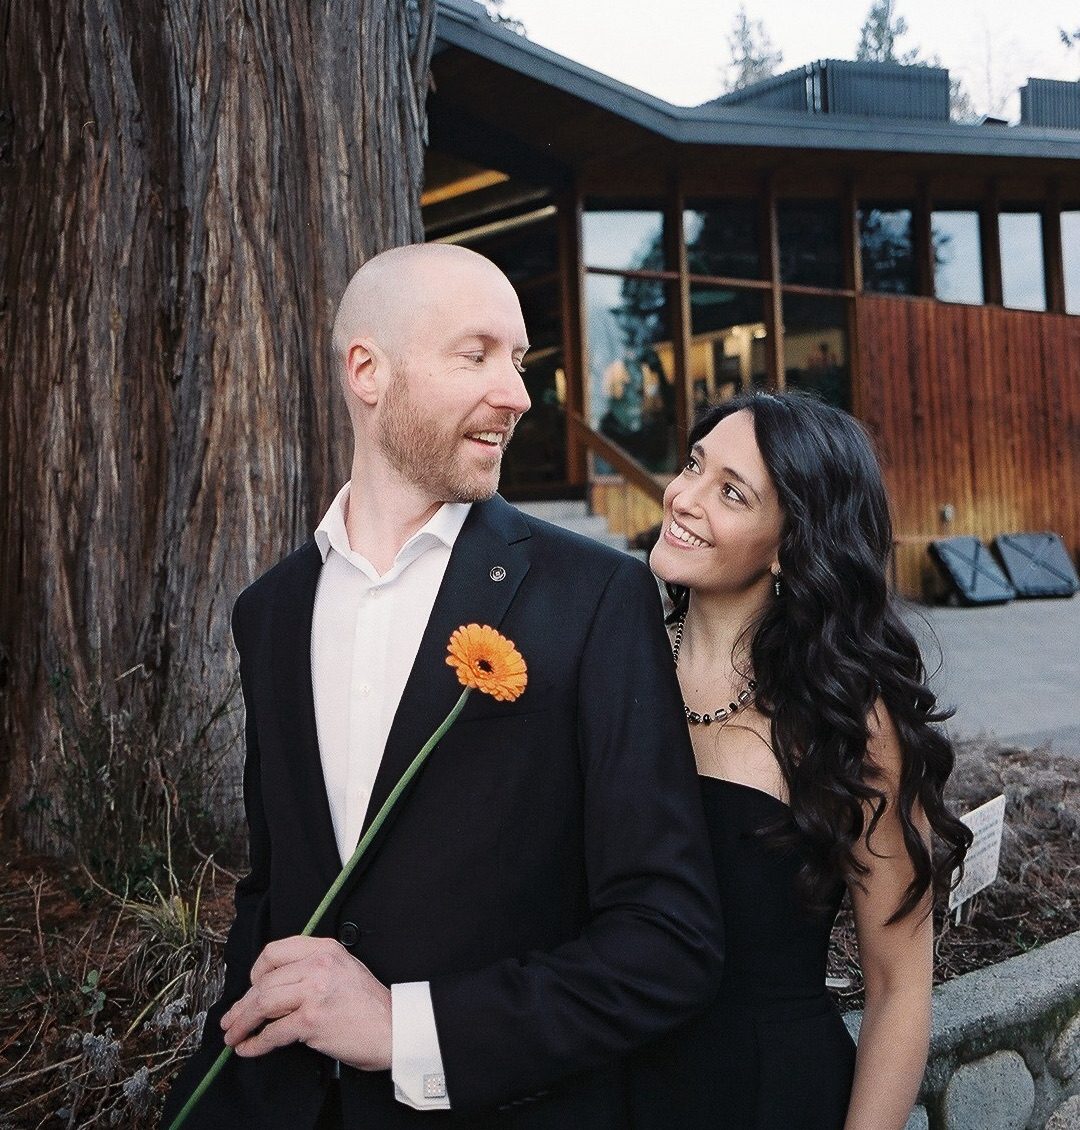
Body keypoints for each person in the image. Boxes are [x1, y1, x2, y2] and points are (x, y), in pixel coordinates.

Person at [163, 243, 722, 1129]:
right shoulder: (269, 612)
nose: (518, 394)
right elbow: (274, 892)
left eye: (519, 361)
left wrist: (408, 1031)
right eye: (477, 354)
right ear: (367, 371)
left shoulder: (594, 598)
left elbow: (669, 939)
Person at [630, 390, 972, 1130]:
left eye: (732, 492)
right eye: (693, 465)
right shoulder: (615, 663)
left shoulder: (848, 724)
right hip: (603, 1085)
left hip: (768, 1097)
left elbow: (897, 988)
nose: (684, 498)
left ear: (790, 543)